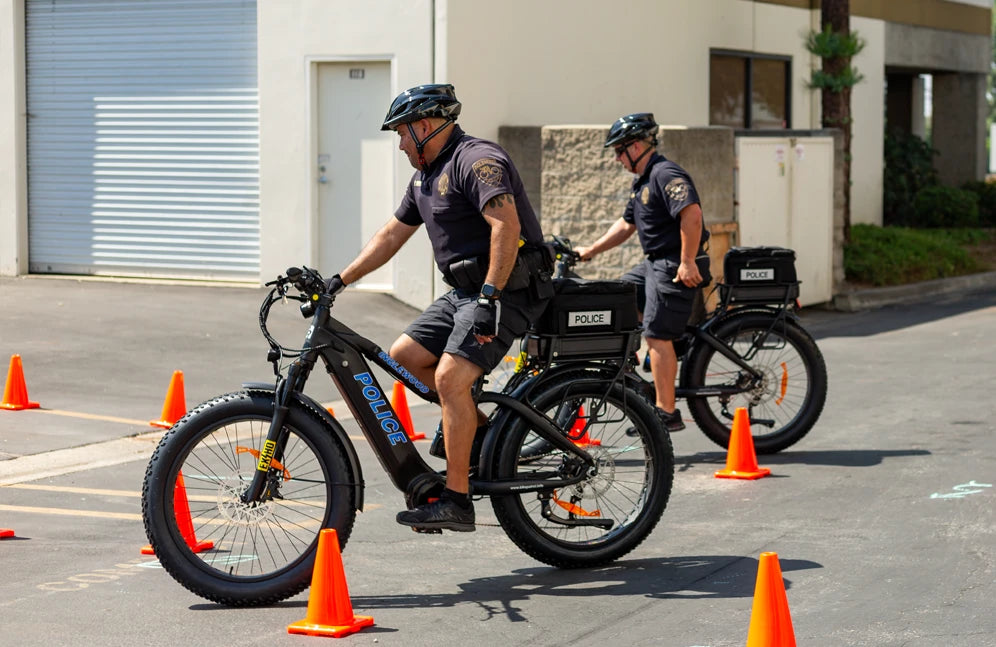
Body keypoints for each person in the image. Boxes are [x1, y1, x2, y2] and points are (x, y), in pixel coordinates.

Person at [323, 84, 553, 532]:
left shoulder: (476, 160)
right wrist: (340, 280)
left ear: (425, 127)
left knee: (449, 378)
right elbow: (391, 235)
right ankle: (484, 436)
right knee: (405, 357)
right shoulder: (424, 176)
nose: (402, 144)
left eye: (403, 135)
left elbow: (506, 226)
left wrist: (488, 298)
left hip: (505, 290)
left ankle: (457, 500)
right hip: (464, 292)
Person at [576, 113, 711, 432]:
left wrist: (688, 260)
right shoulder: (643, 181)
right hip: (653, 262)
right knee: (618, 298)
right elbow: (626, 225)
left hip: (674, 262)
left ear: (636, 146)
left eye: (619, 151)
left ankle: (665, 412)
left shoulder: (665, 174)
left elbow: (692, 215)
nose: (617, 158)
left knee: (656, 335)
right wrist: (591, 250)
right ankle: (635, 362)